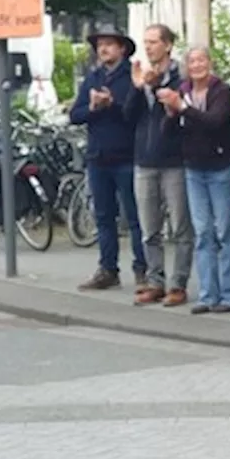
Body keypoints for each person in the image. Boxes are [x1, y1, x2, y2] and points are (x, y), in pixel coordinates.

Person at [157, 45, 230, 314]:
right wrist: (172, 113)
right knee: (203, 232)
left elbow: (215, 123)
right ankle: (208, 294)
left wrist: (183, 108)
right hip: (194, 169)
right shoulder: (183, 90)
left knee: (225, 231)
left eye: (201, 60)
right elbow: (167, 132)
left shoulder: (221, 91)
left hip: (220, 167)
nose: (197, 65)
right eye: (192, 61)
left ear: (210, 62)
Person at [69, 26, 147, 291]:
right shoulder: (93, 77)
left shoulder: (131, 76)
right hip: (98, 155)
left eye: (109, 44)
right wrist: (92, 107)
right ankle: (108, 269)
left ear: (122, 49)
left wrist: (110, 103)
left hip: (126, 154)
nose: (103, 49)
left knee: (136, 217)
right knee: (103, 216)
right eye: (100, 45)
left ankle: (142, 270)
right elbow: (75, 115)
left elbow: (134, 113)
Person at [125, 24, 194, 307]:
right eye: (146, 42)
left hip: (174, 160)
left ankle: (178, 283)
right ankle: (155, 281)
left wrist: (159, 87)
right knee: (148, 227)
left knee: (180, 226)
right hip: (144, 158)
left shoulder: (181, 76)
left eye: (154, 42)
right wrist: (139, 88)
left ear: (167, 45)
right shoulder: (141, 76)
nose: (149, 47)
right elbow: (128, 116)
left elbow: (182, 113)